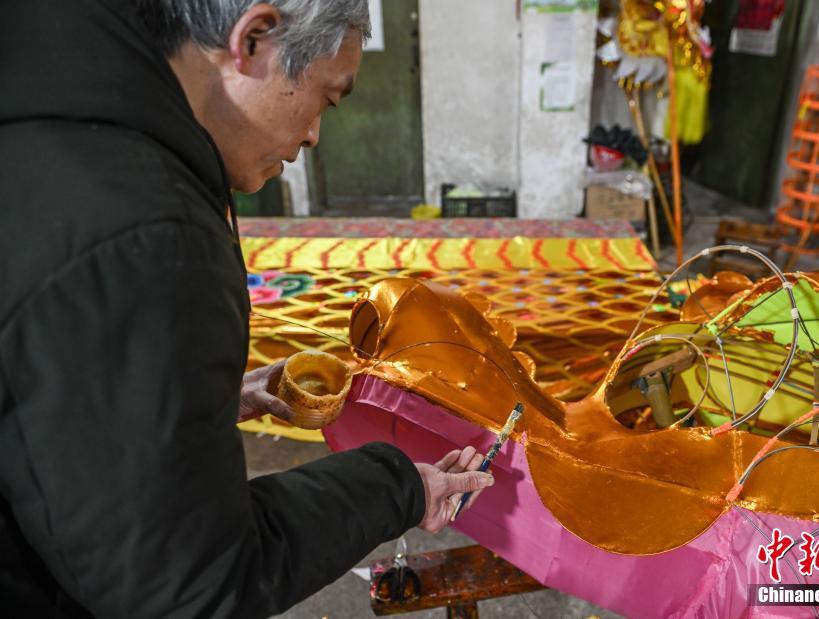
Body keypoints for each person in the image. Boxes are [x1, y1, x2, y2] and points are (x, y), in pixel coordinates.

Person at [0, 0, 493, 616]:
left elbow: (52, 381)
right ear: (254, 38)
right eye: (327, 98)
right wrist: (396, 488)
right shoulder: (149, 235)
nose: (314, 133)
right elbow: (189, 585)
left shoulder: (43, 88)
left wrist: (188, 398)